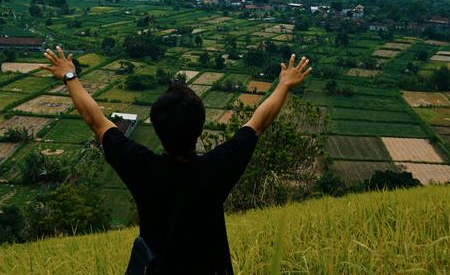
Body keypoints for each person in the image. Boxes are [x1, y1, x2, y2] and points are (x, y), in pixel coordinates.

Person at [42, 46, 312, 274]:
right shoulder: (218, 168)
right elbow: (258, 123)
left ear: (158, 129)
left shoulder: (141, 167)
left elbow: (96, 122)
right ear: (200, 126)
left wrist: (69, 76)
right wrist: (285, 84)